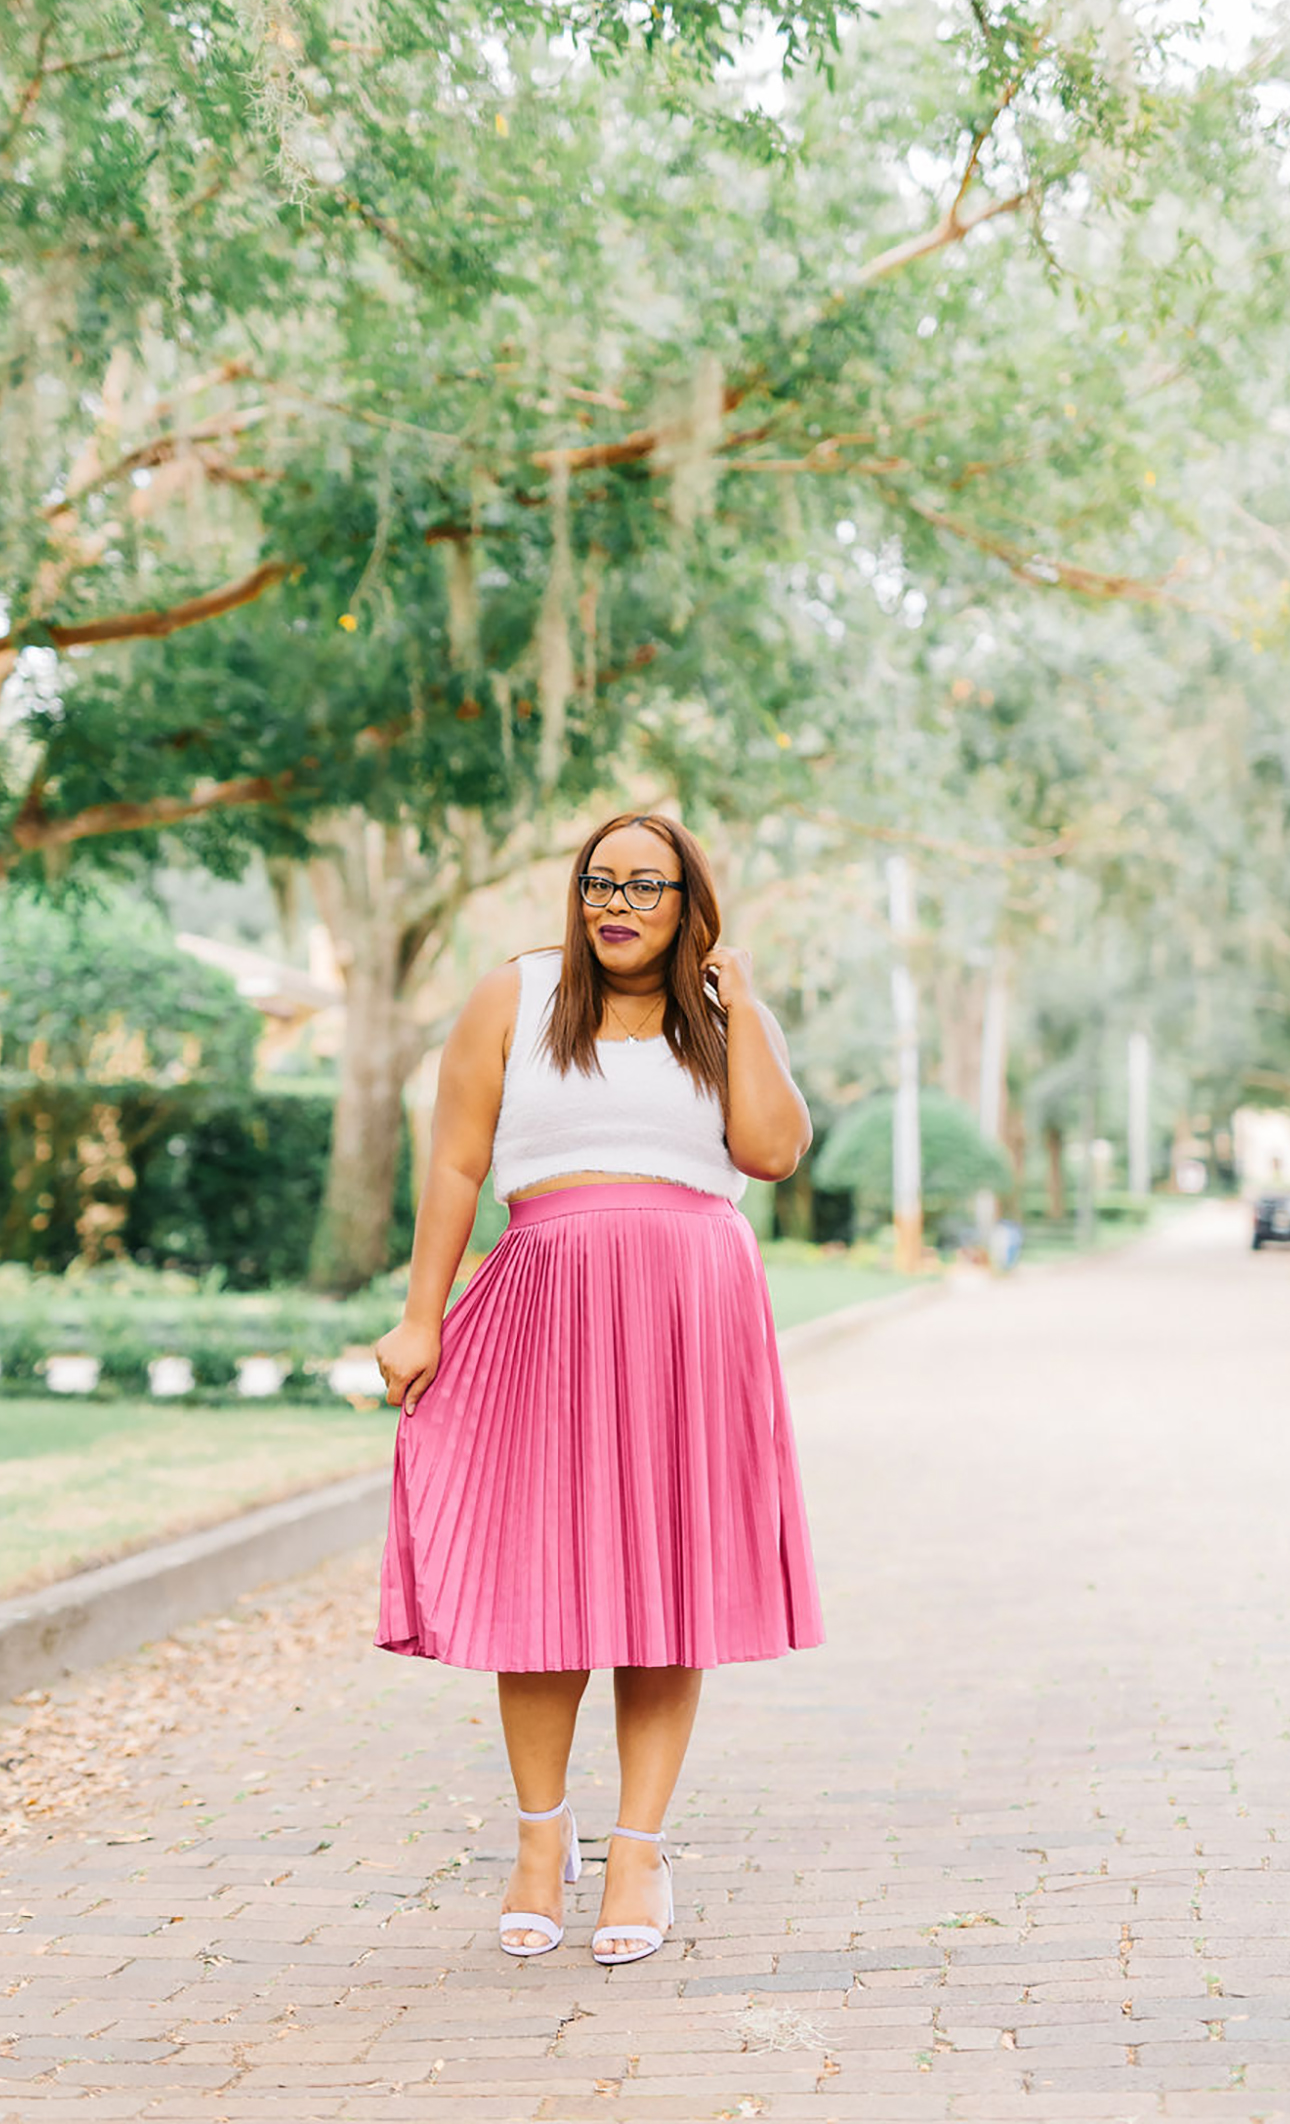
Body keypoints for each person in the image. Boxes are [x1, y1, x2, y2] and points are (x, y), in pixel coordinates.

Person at [374, 811, 823, 1965]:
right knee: (542, 1581)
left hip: (690, 1315)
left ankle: (637, 1853)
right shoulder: (515, 997)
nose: (617, 905)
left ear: (689, 903)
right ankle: (541, 1841)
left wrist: (740, 1003)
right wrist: (421, 1314)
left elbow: (772, 1153)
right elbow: (457, 1162)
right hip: (547, 1302)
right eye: (599, 883)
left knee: (667, 1584)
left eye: (645, 886)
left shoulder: (725, 1014)